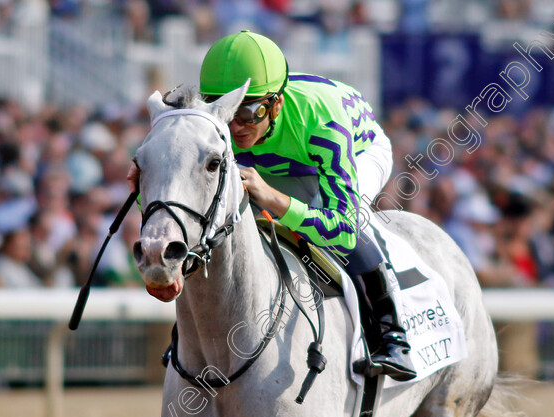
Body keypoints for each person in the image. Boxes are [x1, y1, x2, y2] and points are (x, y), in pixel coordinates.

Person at [128, 30, 415, 381]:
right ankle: (188, 339)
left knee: (342, 227)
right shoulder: (222, 122)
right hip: (275, 161)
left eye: (249, 111)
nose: (236, 126)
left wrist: (276, 200)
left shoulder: (322, 122)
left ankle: (391, 334)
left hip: (353, 151)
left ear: (276, 105)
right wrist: (148, 171)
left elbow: (342, 229)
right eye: (227, 109)